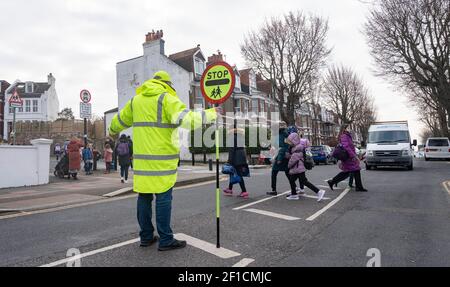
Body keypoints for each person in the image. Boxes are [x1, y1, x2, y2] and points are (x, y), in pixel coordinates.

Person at [108, 71, 220, 251]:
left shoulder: (136, 101)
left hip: (143, 163)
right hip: (162, 161)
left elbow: (117, 122)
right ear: (167, 84)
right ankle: (166, 239)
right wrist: (211, 114)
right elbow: (188, 120)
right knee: (163, 198)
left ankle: (146, 237)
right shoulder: (166, 99)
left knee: (143, 198)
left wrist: (112, 130)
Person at [327, 123, 368, 192]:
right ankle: (332, 181)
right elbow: (346, 147)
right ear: (344, 129)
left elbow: (350, 146)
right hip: (348, 157)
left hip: (349, 157)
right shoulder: (344, 136)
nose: (350, 129)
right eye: (348, 128)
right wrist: (354, 156)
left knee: (351, 171)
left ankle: (332, 181)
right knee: (352, 171)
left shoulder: (347, 136)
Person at [286, 133, 326, 201]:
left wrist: (288, 166)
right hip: (299, 168)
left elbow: (292, 161)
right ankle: (294, 194)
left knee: (303, 181)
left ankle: (319, 191)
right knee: (292, 180)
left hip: (298, 168)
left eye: (291, 142)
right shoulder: (299, 148)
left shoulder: (296, 150)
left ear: (294, 141)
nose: (290, 144)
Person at [223, 128, 250, 199]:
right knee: (232, 172)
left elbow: (231, 150)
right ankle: (229, 189)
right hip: (242, 157)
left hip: (236, 158)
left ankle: (244, 191)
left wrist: (229, 161)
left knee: (238, 174)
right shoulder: (240, 137)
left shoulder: (232, 138)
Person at [267, 122, 290, 196]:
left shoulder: (281, 135)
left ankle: (274, 190)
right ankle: (294, 189)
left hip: (281, 157)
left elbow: (282, 148)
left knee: (275, 173)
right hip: (282, 156)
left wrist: (279, 158)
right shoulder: (282, 134)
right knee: (287, 173)